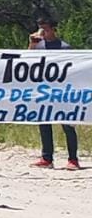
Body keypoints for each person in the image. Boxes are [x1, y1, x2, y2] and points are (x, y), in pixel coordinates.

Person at [28, 17, 80, 170]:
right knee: (44, 124)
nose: (44, 31)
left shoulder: (64, 47)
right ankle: (47, 157)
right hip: (44, 91)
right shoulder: (38, 46)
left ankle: (73, 159)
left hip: (62, 92)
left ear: (54, 29)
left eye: (47, 28)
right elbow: (27, 62)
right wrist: (31, 44)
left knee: (68, 126)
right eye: (41, 28)